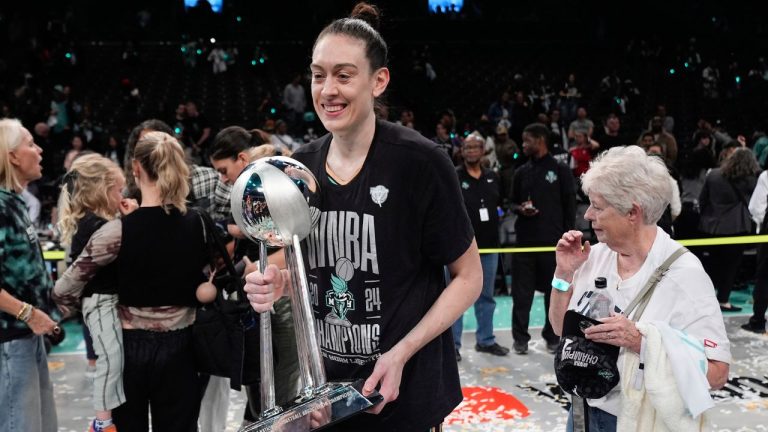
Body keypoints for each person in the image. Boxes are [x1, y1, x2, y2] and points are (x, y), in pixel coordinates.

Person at [243, 3, 482, 430]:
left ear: (378, 81)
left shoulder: (420, 162)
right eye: (318, 75)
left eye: (344, 75)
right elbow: (293, 261)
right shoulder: (301, 166)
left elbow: (469, 277)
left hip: (406, 391)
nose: (327, 89)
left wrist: (401, 352)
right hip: (329, 395)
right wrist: (275, 283)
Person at [549, 146, 730, 431]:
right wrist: (563, 274)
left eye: (597, 206)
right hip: (583, 413)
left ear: (632, 212)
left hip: (639, 421)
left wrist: (641, 343)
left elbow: (718, 374)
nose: (587, 216)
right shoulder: (594, 256)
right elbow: (562, 330)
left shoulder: (685, 274)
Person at [55, 131, 209, 431]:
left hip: (129, 350)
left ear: (136, 168)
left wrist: (86, 308)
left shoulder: (116, 231)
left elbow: (63, 288)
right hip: (183, 346)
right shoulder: (199, 223)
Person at [209, 126, 300, 422]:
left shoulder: (279, 193)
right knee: (260, 385)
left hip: (282, 302)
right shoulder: (248, 196)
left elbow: (295, 248)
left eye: (225, 171)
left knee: (280, 388)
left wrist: (258, 267)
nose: (224, 179)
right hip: (259, 301)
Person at [53, 154, 137, 432]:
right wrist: (133, 220)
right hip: (100, 301)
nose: (121, 194)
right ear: (100, 189)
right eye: (117, 189)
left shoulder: (100, 220)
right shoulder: (95, 224)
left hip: (109, 300)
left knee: (115, 357)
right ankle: (102, 422)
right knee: (110, 358)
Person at [0, 118, 60, 432]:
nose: (38, 151)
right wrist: (28, 312)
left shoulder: (15, 203)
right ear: (11, 156)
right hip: (10, 340)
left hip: (27, 334)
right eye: (29, 143)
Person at [511, 123, 576, 355]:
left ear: (540, 140)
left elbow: (570, 206)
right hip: (525, 244)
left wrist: (569, 239)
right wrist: (521, 209)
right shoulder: (521, 172)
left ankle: (551, 336)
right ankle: (520, 339)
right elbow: (511, 203)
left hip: (553, 244)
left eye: (526, 140)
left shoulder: (560, 170)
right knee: (521, 295)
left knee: (554, 293)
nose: (523, 145)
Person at [451, 133, 509, 361]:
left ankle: (485, 341)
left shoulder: (493, 177)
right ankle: (453, 346)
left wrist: (500, 216)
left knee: (487, 296)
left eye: (476, 147)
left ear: (483, 149)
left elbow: (501, 206)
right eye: (468, 148)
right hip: (461, 249)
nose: (472, 151)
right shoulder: (454, 176)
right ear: (462, 151)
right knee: (456, 298)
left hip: (489, 247)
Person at [698, 147, 759, 312]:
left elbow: (702, 200)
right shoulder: (751, 180)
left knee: (712, 265)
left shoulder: (713, 175)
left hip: (711, 226)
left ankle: (706, 300)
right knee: (730, 267)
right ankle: (723, 300)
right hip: (736, 227)